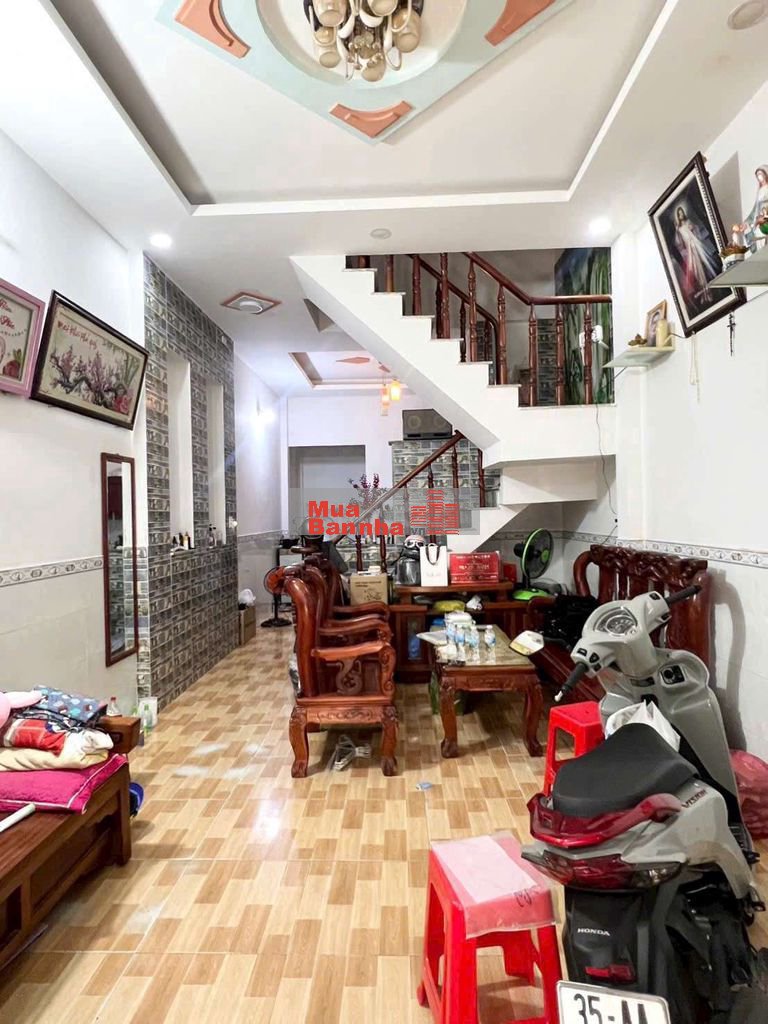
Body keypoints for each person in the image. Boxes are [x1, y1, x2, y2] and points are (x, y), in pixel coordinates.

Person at [673, 204, 720, 313]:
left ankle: (710, 289)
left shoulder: (689, 222)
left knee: (704, 265)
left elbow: (696, 231)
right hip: (690, 250)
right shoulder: (678, 229)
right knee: (697, 271)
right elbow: (679, 243)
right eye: (679, 214)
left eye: (681, 213)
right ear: (677, 216)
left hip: (696, 246)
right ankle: (705, 293)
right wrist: (677, 232)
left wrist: (693, 229)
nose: (681, 215)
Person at [741, 165, 768, 250]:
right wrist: (747, 222)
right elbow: (755, 209)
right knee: (755, 232)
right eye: (757, 175)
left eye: (760, 174)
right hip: (760, 217)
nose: (759, 177)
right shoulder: (760, 190)